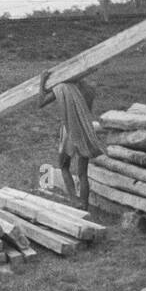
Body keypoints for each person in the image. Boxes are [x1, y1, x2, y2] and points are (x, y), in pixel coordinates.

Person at [38, 72, 101, 210]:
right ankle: (84, 206)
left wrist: (42, 81)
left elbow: (40, 102)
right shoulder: (90, 87)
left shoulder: (63, 88)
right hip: (86, 127)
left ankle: (74, 201)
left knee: (64, 166)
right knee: (83, 173)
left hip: (70, 130)